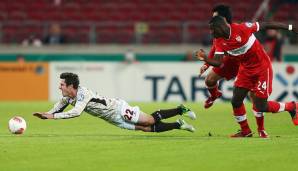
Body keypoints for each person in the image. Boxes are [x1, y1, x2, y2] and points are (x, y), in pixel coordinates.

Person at [196, 16, 298, 137]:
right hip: (245, 69)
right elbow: (218, 62)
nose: (211, 33)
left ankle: (292, 106)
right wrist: (206, 59)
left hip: (262, 68)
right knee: (236, 100)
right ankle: (246, 131)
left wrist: (290, 27)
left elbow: (266, 25)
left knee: (260, 106)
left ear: (220, 27)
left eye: (212, 30)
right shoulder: (220, 41)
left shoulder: (242, 28)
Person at [33, 72, 196, 133]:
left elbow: (76, 112)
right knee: (145, 129)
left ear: (70, 86)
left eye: (62, 84)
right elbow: (58, 107)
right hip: (112, 118)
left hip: (118, 109)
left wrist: (53, 117)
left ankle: (180, 109)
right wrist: (48, 114)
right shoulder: (68, 97)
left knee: (150, 120)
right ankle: (178, 125)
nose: (59, 86)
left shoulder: (83, 94)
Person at [199, 4, 268, 138]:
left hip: (248, 63)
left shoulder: (239, 28)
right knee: (209, 79)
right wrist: (207, 64)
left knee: (255, 98)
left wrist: (288, 27)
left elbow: (262, 26)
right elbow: (216, 47)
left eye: (216, 17)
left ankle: (261, 129)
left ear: (224, 19)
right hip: (231, 60)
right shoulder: (218, 32)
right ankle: (215, 96)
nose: (213, 20)